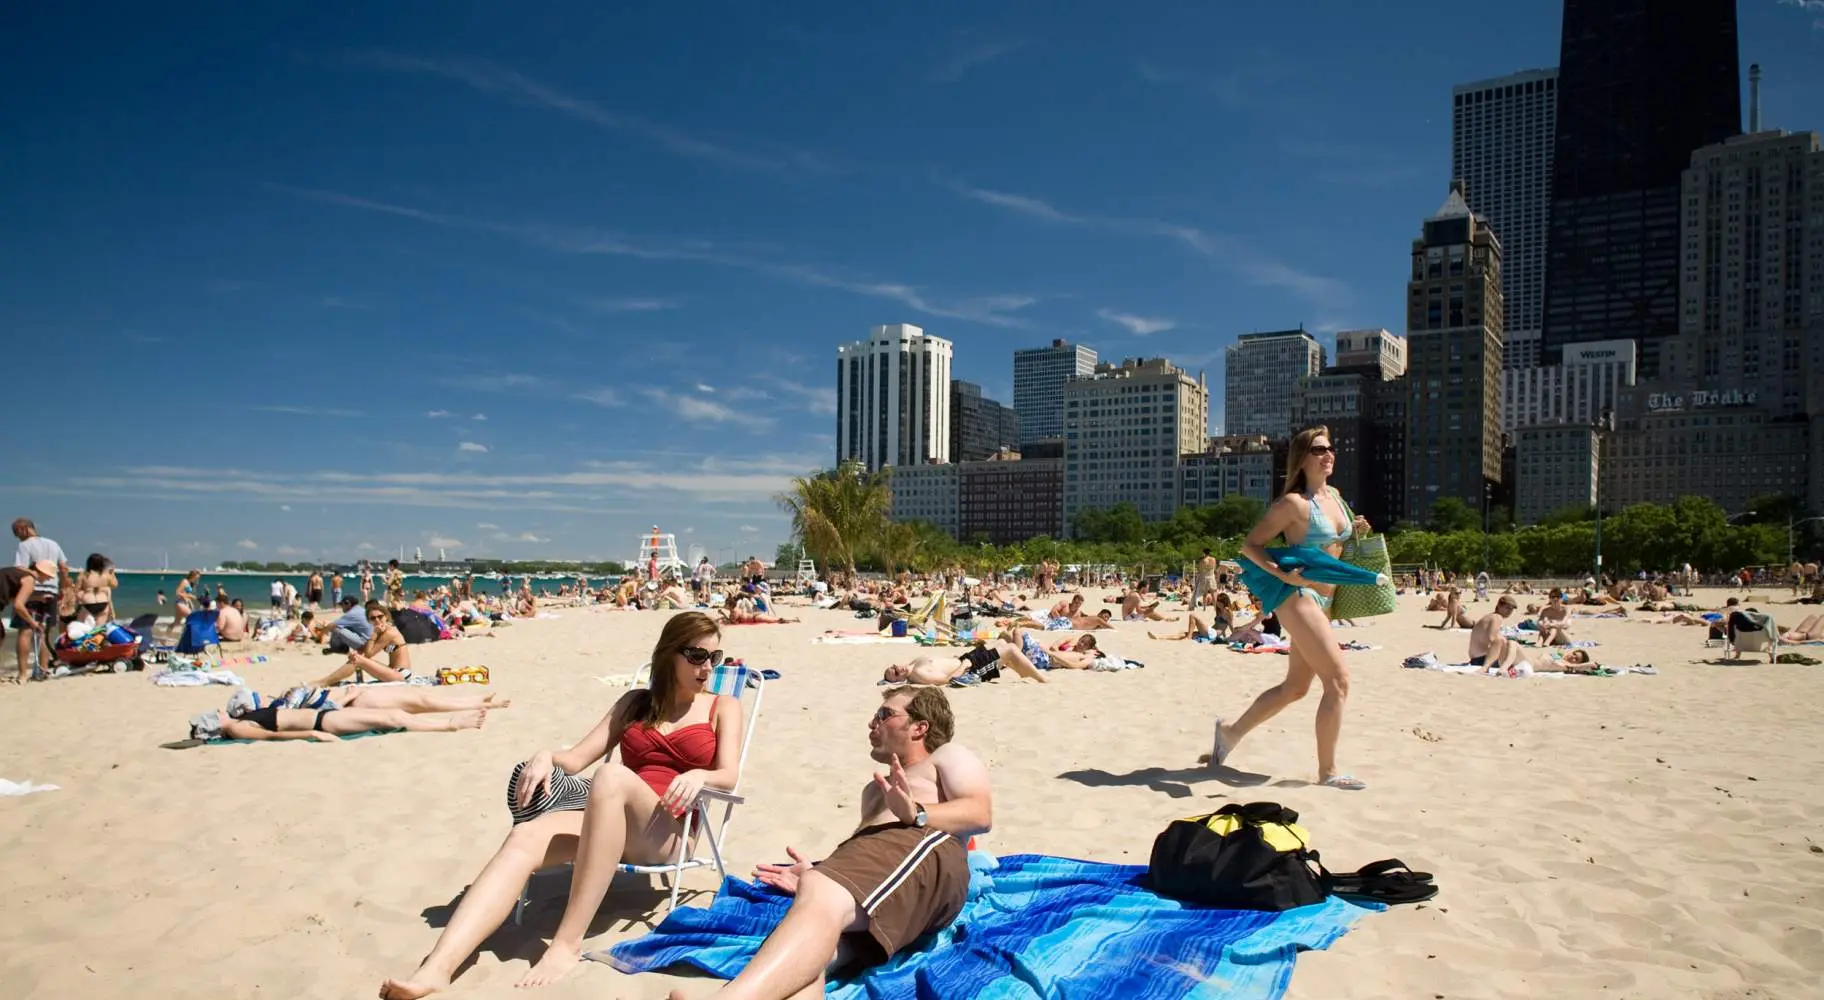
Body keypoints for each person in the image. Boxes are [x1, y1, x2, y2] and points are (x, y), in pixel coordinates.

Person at [378, 612, 745, 997]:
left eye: (714, 658)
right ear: (669, 654)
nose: (707, 668)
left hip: (668, 830)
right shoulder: (635, 703)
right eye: (697, 656)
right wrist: (545, 755)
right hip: (609, 824)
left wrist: (700, 775)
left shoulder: (722, 706)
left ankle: (566, 943)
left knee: (611, 777)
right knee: (526, 834)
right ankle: (438, 967)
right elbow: (575, 759)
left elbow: (729, 774)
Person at [667, 686, 991, 1000]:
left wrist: (916, 812)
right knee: (813, 957)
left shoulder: (946, 756)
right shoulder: (874, 790)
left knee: (819, 892)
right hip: (884, 878)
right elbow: (870, 859)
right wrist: (819, 872)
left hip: (922, 846)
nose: (872, 723)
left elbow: (979, 812)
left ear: (920, 727)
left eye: (884, 714)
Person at [1208, 426, 1372, 791]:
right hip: (1299, 598)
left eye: (1331, 448)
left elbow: (1336, 545)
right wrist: (1282, 572)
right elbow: (1251, 546)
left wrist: (1356, 528)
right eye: (1319, 450)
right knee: (1339, 681)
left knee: (1295, 687)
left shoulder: (1337, 498)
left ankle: (1229, 733)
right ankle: (1328, 772)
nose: (1328, 455)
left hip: (1327, 600)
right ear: (1302, 458)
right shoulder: (1294, 505)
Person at [13, 519, 68, 680]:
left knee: (25, 632)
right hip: (52, 591)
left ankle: (23, 673)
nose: (18, 538)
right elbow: (64, 567)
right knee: (42, 633)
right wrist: (64, 587)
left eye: (17, 533)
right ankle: (42, 670)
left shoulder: (25, 545)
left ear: (23, 529)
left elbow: (20, 569)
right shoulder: (53, 544)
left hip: (31, 590)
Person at [313, 602, 411, 686]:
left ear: (386, 617)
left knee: (359, 659)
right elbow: (364, 650)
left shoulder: (389, 633)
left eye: (380, 616)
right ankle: (329, 681)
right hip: (393, 671)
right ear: (369, 621)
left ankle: (324, 682)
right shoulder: (383, 631)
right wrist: (355, 653)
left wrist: (374, 634)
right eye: (373, 618)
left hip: (401, 674)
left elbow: (368, 654)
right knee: (358, 656)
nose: (377, 620)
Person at [2, 561, 59, 682]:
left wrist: (37, 598)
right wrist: (33, 623)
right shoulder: (29, 580)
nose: (48, 579)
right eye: (48, 576)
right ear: (42, 572)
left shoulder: (18, 571)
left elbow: (13, 599)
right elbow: (18, 606)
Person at [74, 554, 118, 623]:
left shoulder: (83, 575)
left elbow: (76, 591)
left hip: (88, 604)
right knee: (98, 630)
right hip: (103, 603)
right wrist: (112, 573)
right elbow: (115, 585)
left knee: (84, 629)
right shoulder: (105, 575)